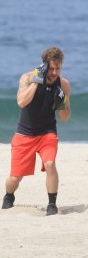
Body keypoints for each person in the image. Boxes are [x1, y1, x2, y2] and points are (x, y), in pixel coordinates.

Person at [2, 46, 71, 216]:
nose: (54, 72)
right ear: (44, 65)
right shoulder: (27, 77)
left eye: (58, 68)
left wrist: (61, 102)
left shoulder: (63, 84)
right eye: (51, 68)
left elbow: (64, 117)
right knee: (15, 178)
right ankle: (9, 196)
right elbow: (21, 102)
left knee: (50, 164)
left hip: (47, 132)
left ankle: (52, 204)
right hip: (25, 133)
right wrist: (37, 81)